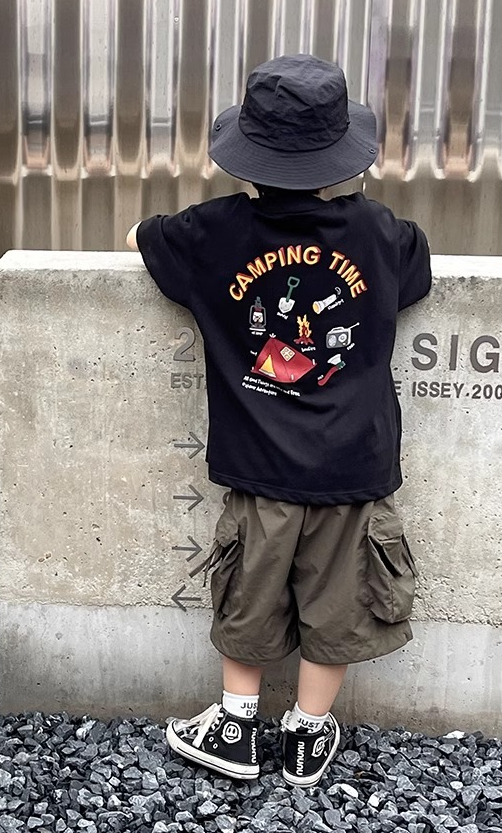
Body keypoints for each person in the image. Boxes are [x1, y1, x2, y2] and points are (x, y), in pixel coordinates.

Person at [125, 54, 431, 787]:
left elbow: (145, 236)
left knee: (249, 592)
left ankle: (235, 726)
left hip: (258, 468)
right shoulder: (381, 233)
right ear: (342, 158)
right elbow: (417, 273)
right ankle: (306, 733)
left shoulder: (211, 234)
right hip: (354, 469)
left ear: (248, 157)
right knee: (339, 603)